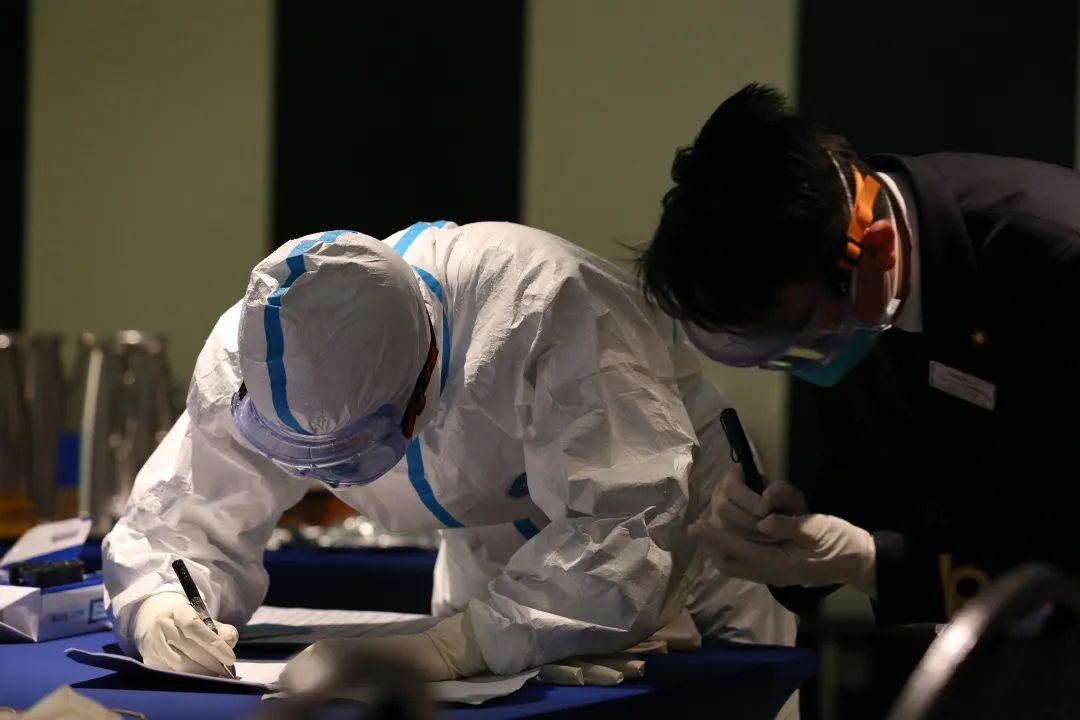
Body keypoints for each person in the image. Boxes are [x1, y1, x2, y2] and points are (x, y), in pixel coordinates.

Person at [102, 221, 794, 684]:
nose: (326, 475)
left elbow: (629, 522)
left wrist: (456, 647)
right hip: (492, 552)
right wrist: (162, 604)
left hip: (687, 541)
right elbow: (180, 517)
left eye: (351, 449)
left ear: (429, 375)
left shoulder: (547, 305)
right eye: (297, 452)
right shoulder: (263, 351)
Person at [637, 83, 1080, 626]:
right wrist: (791, 528)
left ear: (877, 249)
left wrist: (875, 563)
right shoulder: (847, 295)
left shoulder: (1057, 258)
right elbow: (866, 491)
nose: (807, 359)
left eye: (804, 335)